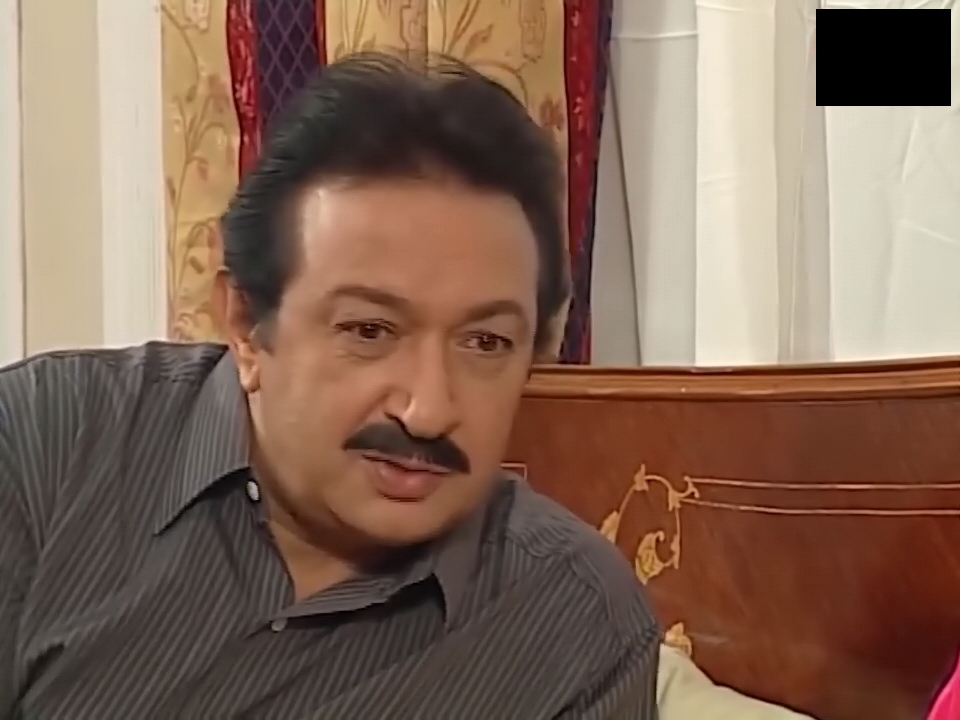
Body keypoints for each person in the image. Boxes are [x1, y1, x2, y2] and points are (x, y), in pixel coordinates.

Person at [0, 53, 659, 718]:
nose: (428, 412)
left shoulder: (578, 625)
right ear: (247, 325)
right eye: (370, 330)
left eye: (485, 343)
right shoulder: (41, 448)